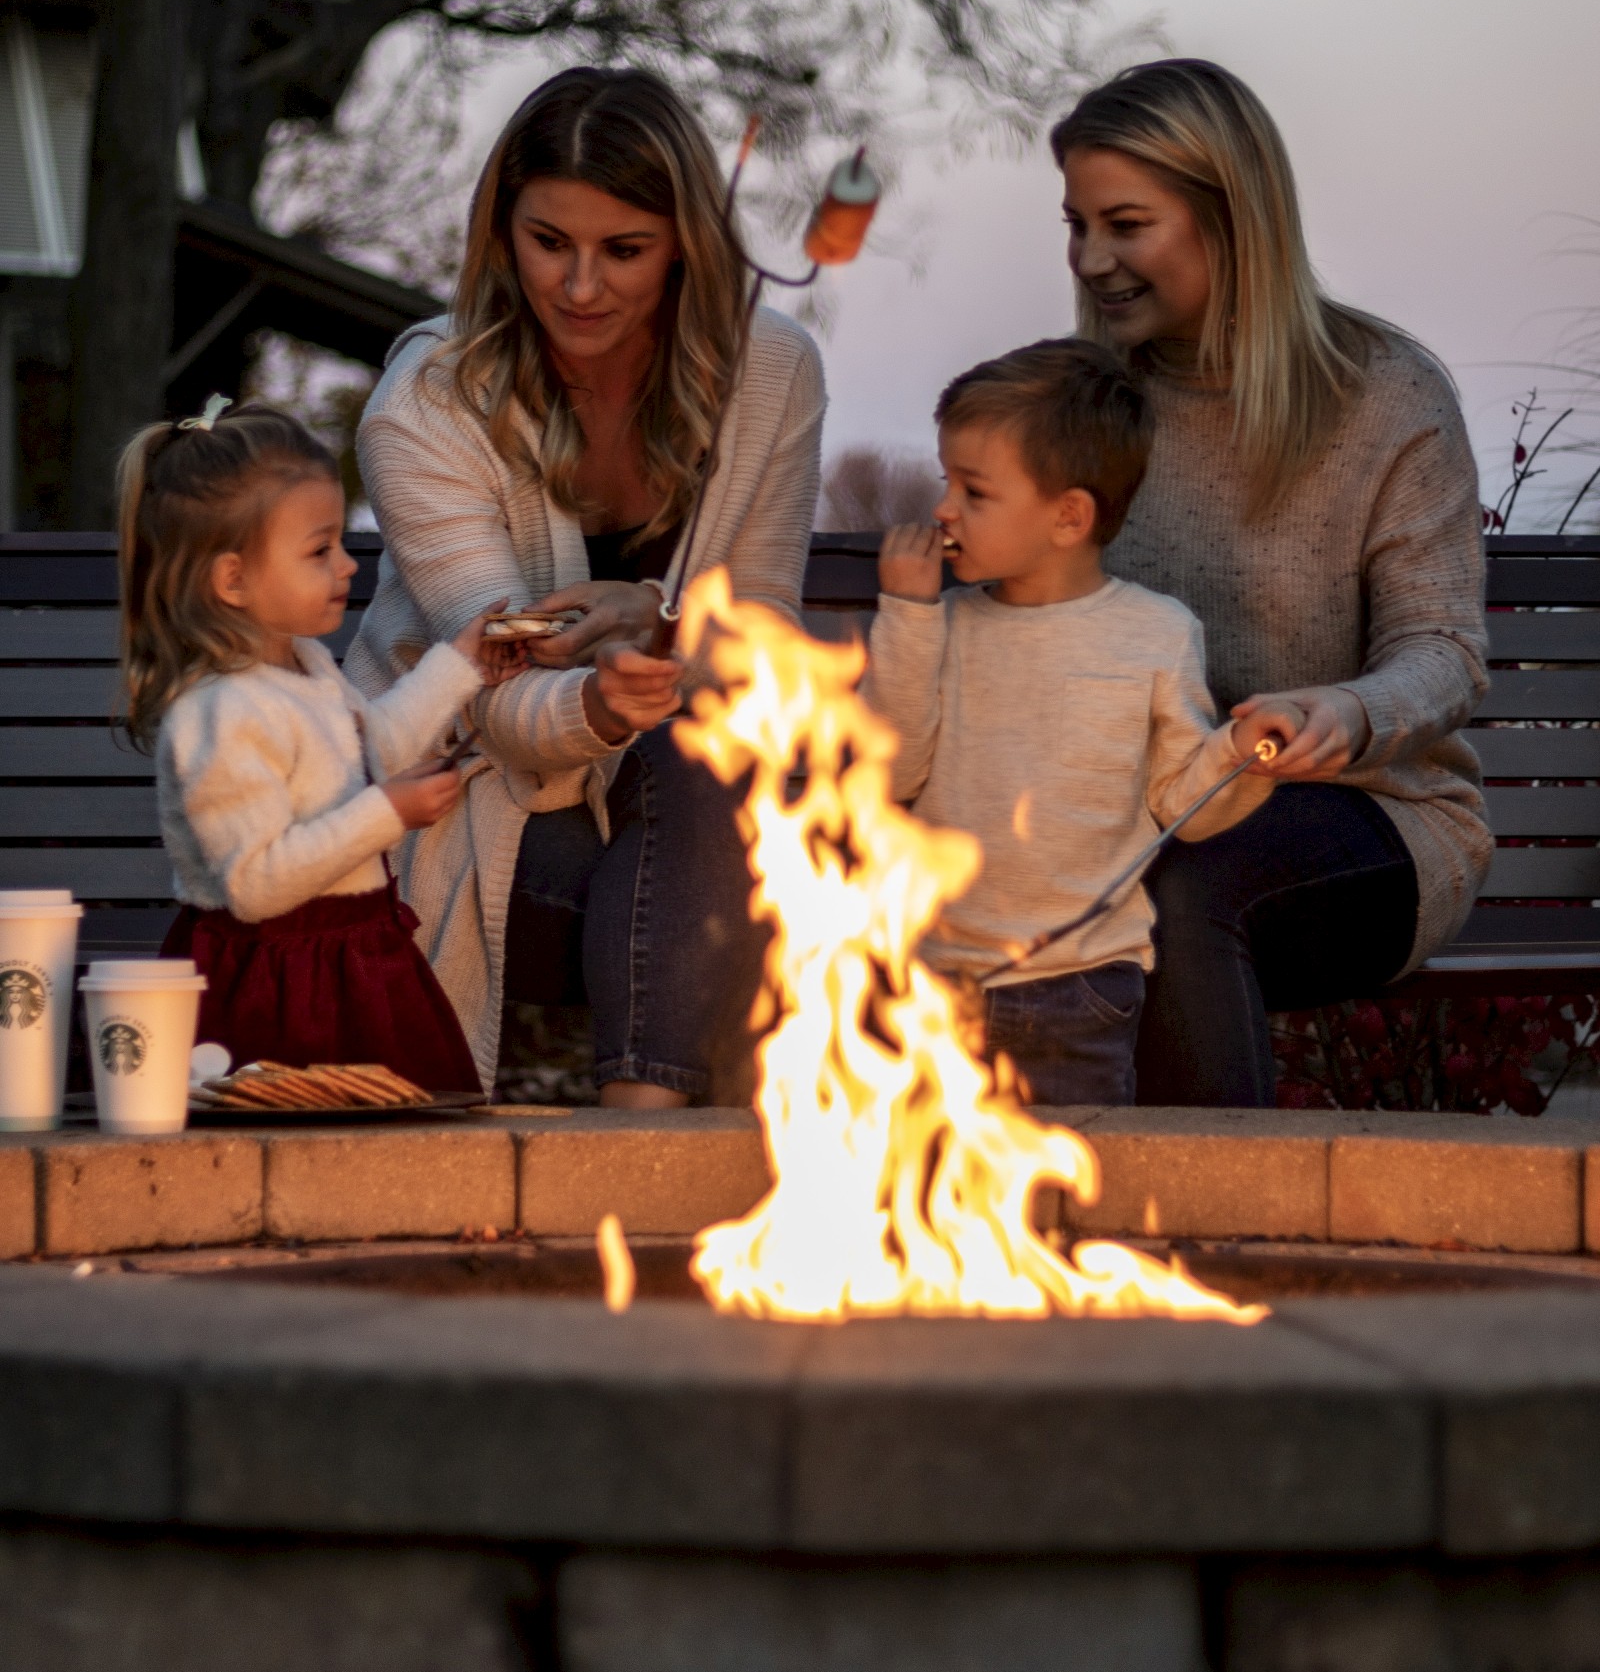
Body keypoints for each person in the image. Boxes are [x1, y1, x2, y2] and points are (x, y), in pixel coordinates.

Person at [346, 66, 825, 1105]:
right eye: (548, 243)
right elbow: (493, 696)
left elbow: (770, 639)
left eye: (624, 251)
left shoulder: (773, 371)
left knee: (709, 766)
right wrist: (612, 700)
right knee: (713, 817)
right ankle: (643, 1145)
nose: (579, 287)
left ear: (687, 244)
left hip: (684, 800)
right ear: (500, 231)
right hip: (473, 790)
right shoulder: (428, 401)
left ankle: (635, 1137)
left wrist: (657, 627)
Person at [1051, 59, 1492, 1106]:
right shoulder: (1070, 406)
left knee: (1180, 889)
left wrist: (1349, 710)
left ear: (1230, 216)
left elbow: (1444, 651)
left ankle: (1210, 1234)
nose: (1093, 259)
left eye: (1125, 224)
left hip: (1370, 815)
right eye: (1075, 226)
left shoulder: (1383, 394)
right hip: (1121, 818)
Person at [866, 338, 1292, 1106]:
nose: (943, 509)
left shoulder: (1157, 634)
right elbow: (888, 773)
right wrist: (905, 614)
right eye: (945, 482)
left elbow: (1182, 807)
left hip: (1084, 986)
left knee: (1069, 1192)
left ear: (1068, 517)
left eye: (974, 491)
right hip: (933, 981)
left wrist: (1240, 753)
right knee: (932, 1201)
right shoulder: (940, 626)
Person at [120, 399, 506, 1090]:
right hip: (277, 986)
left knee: (403, 1155)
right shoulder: (220, 712)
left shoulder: (307, 663)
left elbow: (373, 749)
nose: (347, 565)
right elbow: (256, 883)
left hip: (358, 959)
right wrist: (389, 812)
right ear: (232, 579)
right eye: (319, 550)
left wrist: (461, 664)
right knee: (297, 1159)